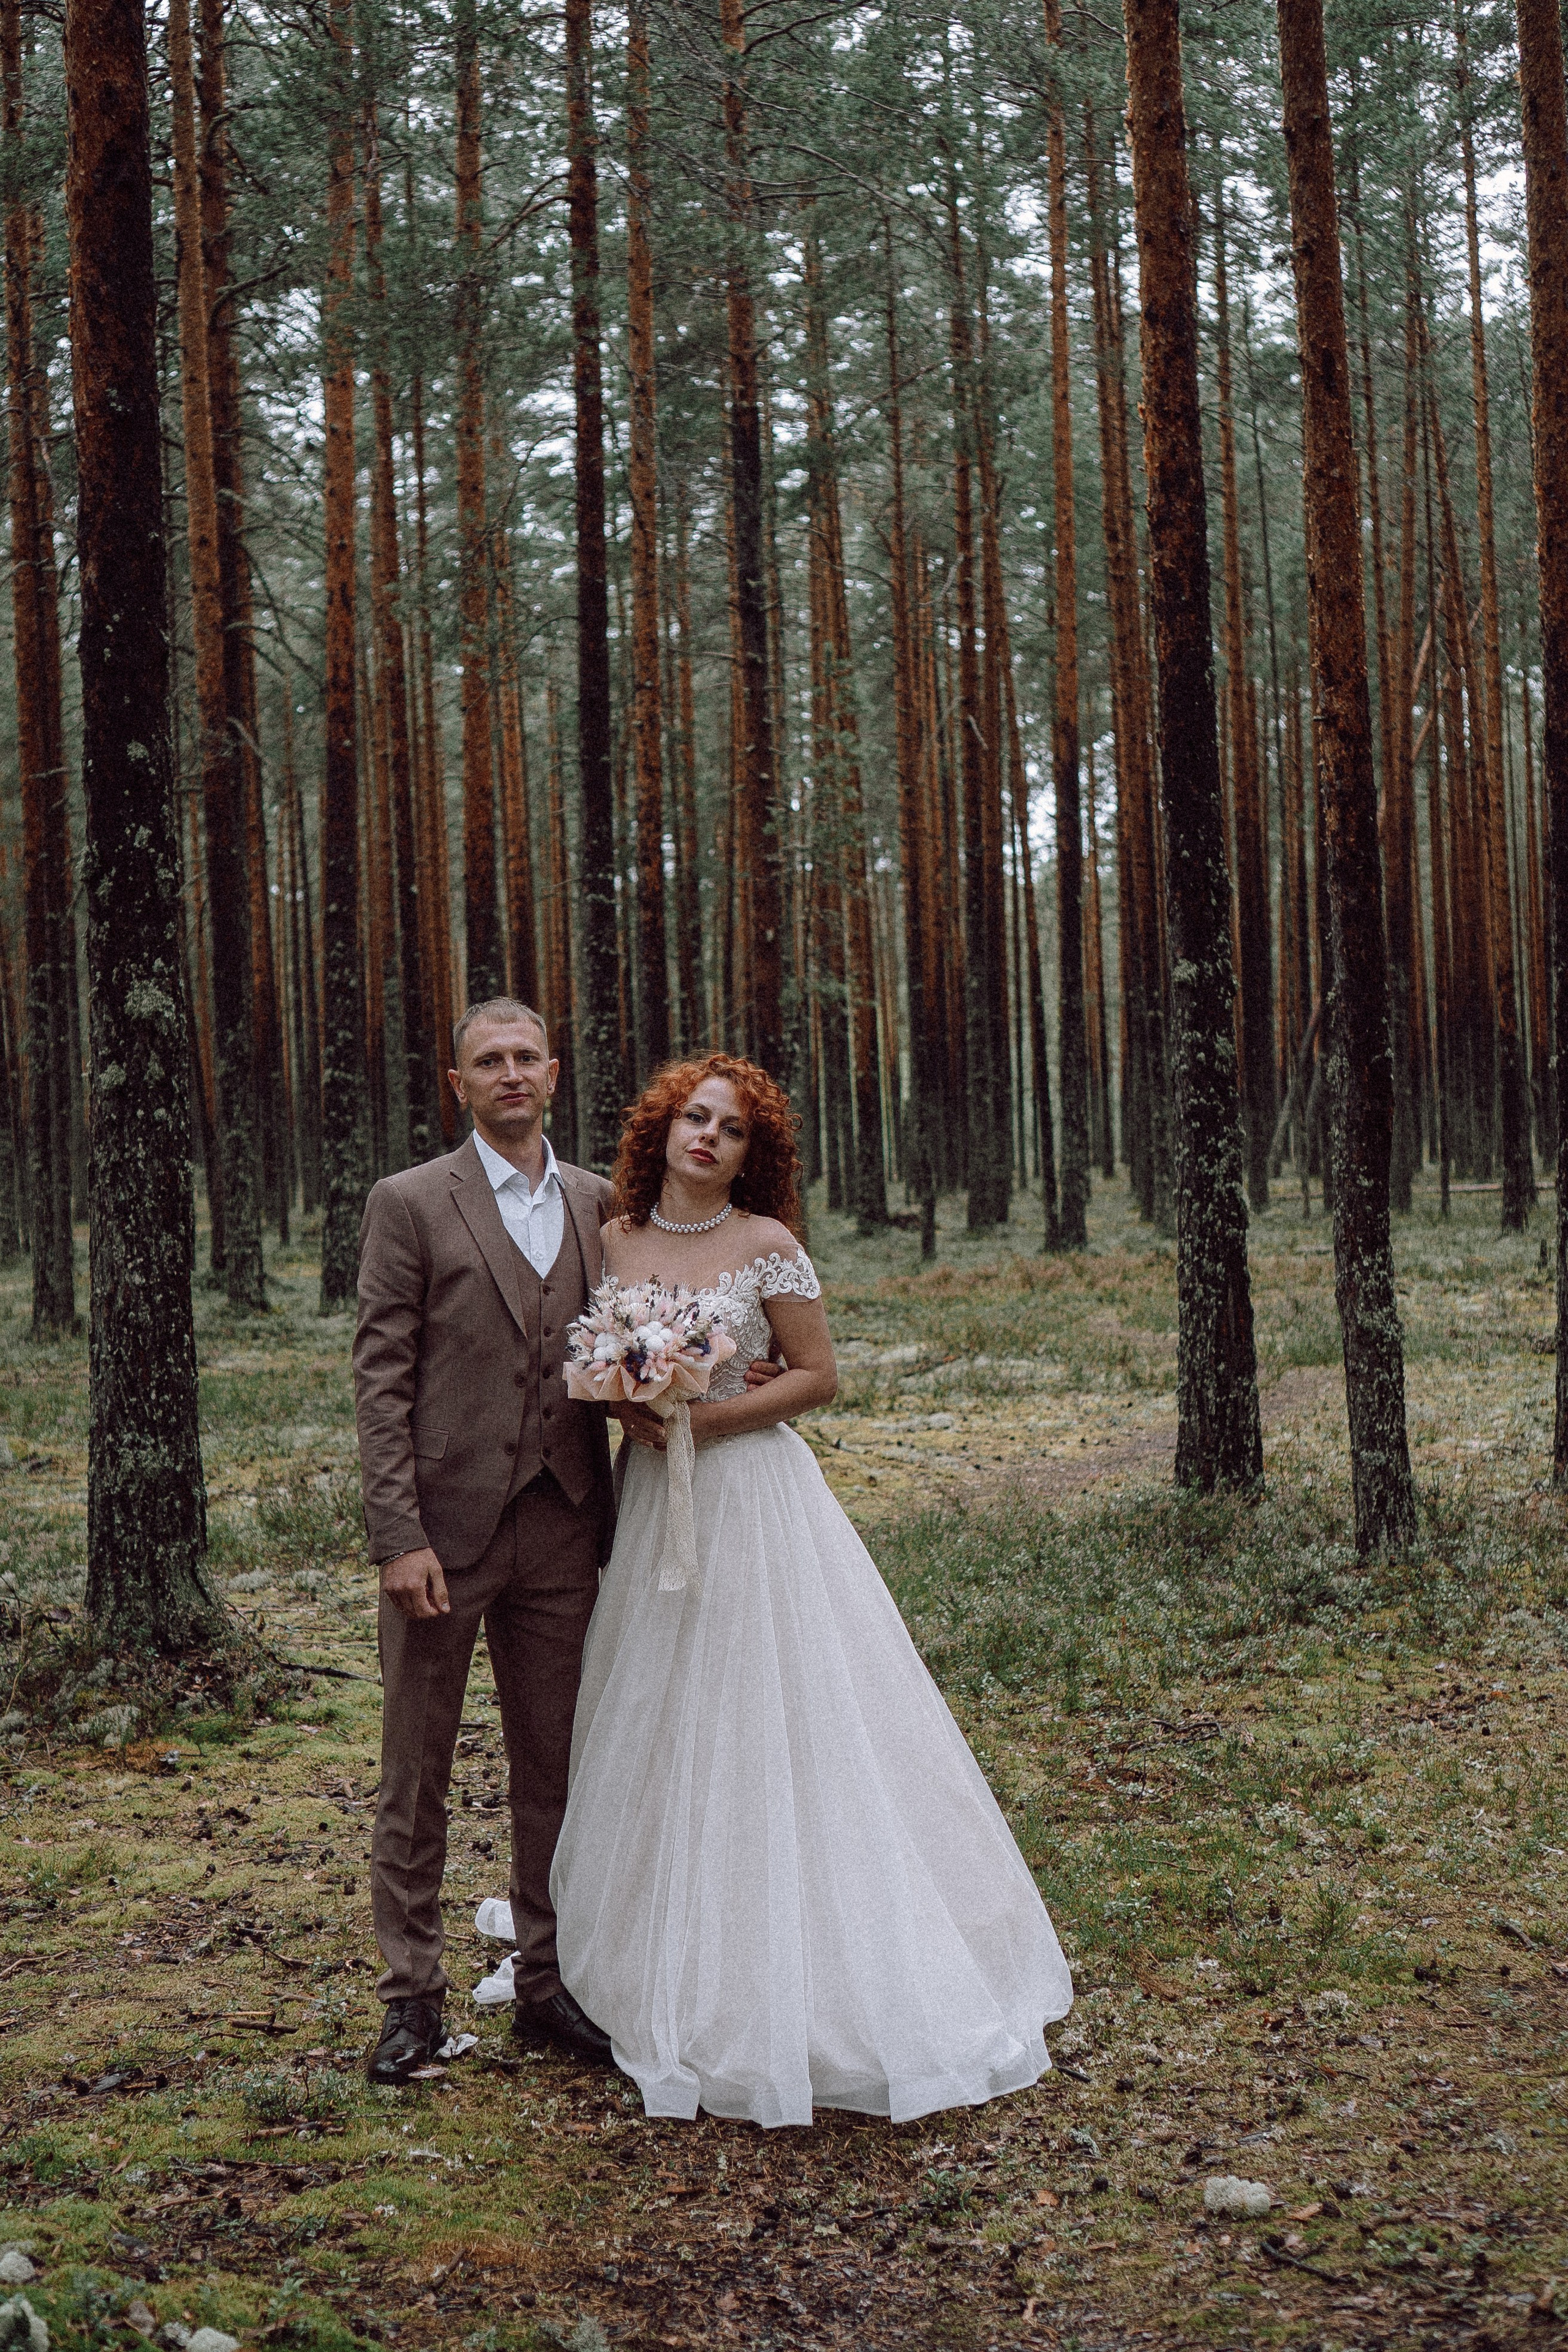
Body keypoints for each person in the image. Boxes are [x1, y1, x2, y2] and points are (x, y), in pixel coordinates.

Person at [547, 1052, 1074, 2127]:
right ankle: (659, 1950)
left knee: (772, 1707)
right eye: (694, 1119)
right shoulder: (618, 1239)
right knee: (659, 1708)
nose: (708, 1139)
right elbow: (603, 1375)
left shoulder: (769, 1246)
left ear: (755, 1151)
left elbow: (817, 1377)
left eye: (731, 1130)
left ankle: (807, 1959)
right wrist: (631, 1406)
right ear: (663, 1129)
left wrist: (702, 1414)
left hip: (752, 1499)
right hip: (654, 1503)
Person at [352, 1000, 622, 2083]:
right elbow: (380, 1378)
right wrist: (397, 1533)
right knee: (413, 1772)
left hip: (565, 1526)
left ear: (553, 1073)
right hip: (443, 1540)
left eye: (525, 1058)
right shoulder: (411, 1202)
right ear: (456, 1081)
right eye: (487, 1062)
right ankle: (410, 2000)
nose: (509, 1075)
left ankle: (550, 1983)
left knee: (555, 1767)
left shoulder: (605, 1202)